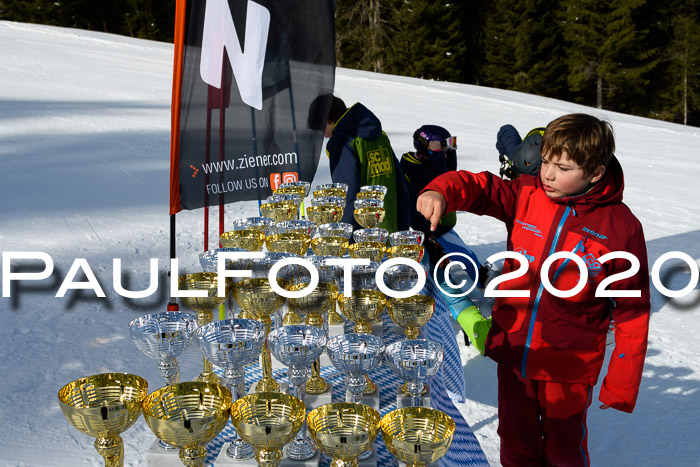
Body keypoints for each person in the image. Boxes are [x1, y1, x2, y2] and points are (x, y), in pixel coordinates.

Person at [417, 113, 650, 466]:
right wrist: (440, 189)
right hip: (513, 350)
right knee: (515, 443)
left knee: (563, 450)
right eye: (546, 162)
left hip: (567, 364)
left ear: (596, 173)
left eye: (564, 167)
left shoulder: (620, 228)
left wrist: (621, 381)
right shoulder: (527, 193)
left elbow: (633, 310)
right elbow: (480, 188)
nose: (549, 174)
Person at [400, 124, 491, 354]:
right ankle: (475, 324)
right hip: (426, 233)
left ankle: (489, 295)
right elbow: (438, 180)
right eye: (442, 145)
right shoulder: (414, 166)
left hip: (442, 228)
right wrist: (438, 156)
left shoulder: (430, 161)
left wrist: (449, 152)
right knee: (443, 281)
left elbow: (452, 177)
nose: (446, 150)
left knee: (467, 260)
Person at [307, 94, 410, 233]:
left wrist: (345, 237)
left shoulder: (342, 142)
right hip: (391, 230)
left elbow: (347, 194)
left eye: (321, 128)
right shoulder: (380, 136)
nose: (324, 136)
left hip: (363, 239)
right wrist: (402, 228)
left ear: (327, 120)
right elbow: (400, 184)